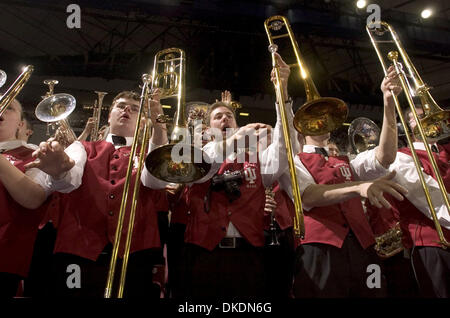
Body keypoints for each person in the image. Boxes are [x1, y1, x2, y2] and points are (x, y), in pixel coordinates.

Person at [142, 53, 295, 297]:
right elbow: (205, 166)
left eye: (229, 115)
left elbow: (285, 147)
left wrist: (282, 93)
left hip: (249, 253)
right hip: (203, 253)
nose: (225, 118)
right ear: (209, 127)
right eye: (218, 116)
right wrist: (235, 139)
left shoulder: (255, 156)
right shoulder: (197, 152)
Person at [28, 90, 170, 298]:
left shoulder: (147, 153)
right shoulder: (81, 147)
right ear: (110, 114)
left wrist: (159, 123)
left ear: (142, 122)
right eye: (120, 106)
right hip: (78, 248)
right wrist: (59, 171)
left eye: (135, 108)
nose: (127, 109)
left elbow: (155, 181)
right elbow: (70, 180)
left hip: (135, 251)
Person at [284, 65, 408, 297]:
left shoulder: (348, 161)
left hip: (364, 247)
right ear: (300, 127)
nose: (322, 120)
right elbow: (309, 196)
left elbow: (386, 156)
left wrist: (388, 102)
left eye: (325, 115)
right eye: (315, 116)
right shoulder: (294, 161)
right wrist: (358, 187)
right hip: (322, 249)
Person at [374, 106, 450, 297]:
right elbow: (433, 200)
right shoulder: (402, 157)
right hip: (432, 243)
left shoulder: (446, 151)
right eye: (419, 118)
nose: (428, 120)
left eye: (430, 115)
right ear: (408, 126)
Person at [0, 99, 60, 297]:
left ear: (20, 123)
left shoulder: (33, 153)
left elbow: (32, 198)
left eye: (8, 107)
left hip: (5, 256)